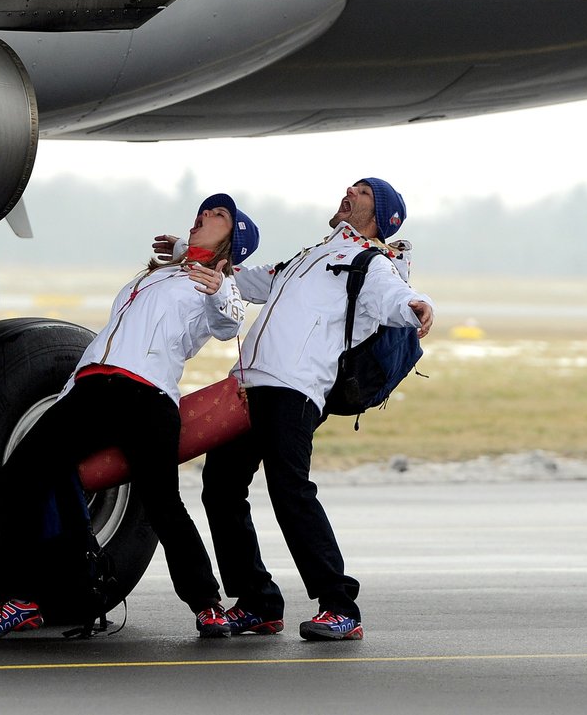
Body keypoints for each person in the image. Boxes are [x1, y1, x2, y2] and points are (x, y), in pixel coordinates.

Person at [0, 193, 260, 641]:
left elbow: (229, 324)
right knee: (23, 472)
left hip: (148, 396)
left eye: (219, 215)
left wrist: (219, 287)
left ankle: (207, 604)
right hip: (92, 388)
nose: (204, 214)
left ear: (232, 242)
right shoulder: (159, 275)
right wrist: (70, 391)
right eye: (204, 210)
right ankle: (26, 598)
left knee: (162, 503)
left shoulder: (218, 283)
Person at [156, 177, 433, 642]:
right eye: (352, 186)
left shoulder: (369, 261)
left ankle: (340, 606)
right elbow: (244, 281)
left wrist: (419, 306)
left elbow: (394, 296)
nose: (350, 191)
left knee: (290, 492)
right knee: (220, 489)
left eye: (362, 192)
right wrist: (190, 248)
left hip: (296, 389)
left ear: (381, 217)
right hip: (247, 387)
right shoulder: (308, 256)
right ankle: (258, 602)